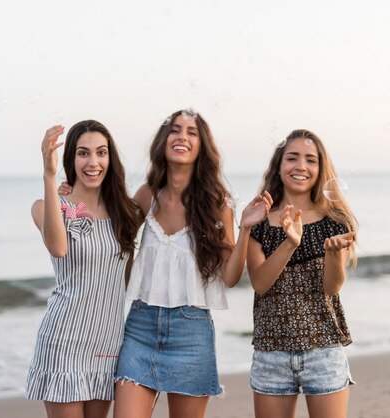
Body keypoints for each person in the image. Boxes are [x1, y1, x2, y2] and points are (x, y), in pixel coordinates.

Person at [113, 109, 272, 418]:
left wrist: (245, 229)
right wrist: (73, 198)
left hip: (191, 332)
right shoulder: (146, 195)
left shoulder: (217, 202)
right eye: (175, 130)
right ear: (164, 140)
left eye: (191, 132)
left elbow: (229, 276)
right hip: (140, 328)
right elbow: (113, 236)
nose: (182, 136)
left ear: (202, 146)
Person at [26, 120, 141, 418]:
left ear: (110, 159)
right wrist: (49, 176)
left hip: (107, 343)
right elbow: (58, 248)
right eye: (83, 153)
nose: (93, 162)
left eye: (101, 153)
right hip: (64, 340)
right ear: (70, 160)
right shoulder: (46, 206)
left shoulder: (125, 212)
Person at [246, 129, 358, 418]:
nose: (301, 166)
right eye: (292, 158)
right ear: (279, 166)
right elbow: (260, 283)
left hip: (324, 349)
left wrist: (333, 254)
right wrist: (290, 242)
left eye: (311, 160)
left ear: (320, 169)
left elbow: (332, 288)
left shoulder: (335, 221)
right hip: (272, 352)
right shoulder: (259, 220)